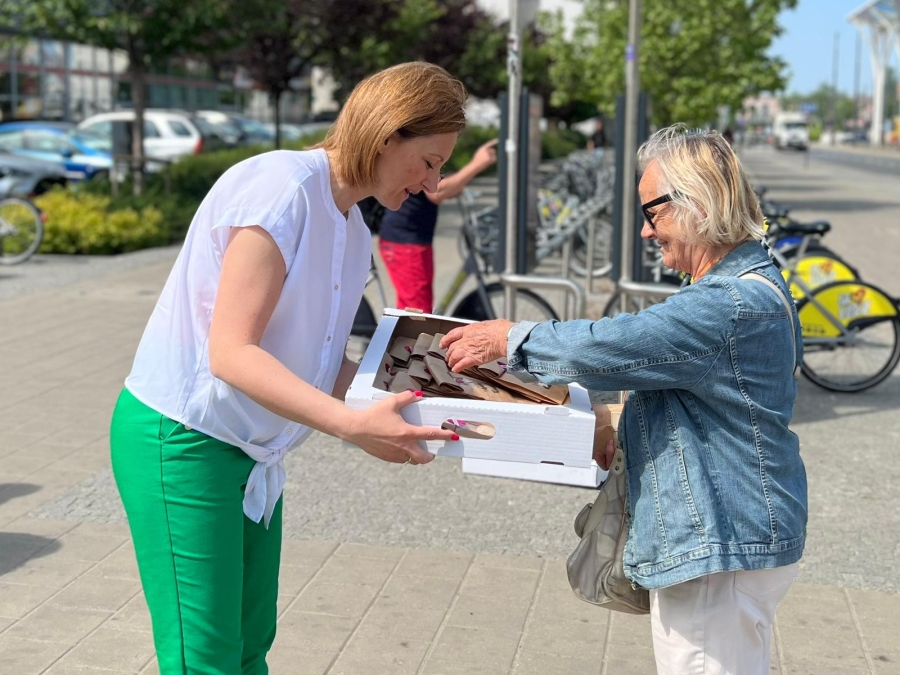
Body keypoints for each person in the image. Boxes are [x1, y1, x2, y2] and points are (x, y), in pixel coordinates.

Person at [109, 62, 465, 675]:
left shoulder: (352, 228)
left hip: (248, 451)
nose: (433, 183)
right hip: (184, 440)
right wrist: (353, 426)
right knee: (205, 660)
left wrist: (429, 396)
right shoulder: (282, 187)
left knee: (249, 646)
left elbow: (322, 361)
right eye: (430, 162)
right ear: (387, 135)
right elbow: (231, 352)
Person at [440, 125, 807, 675]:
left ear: (696, 203)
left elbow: (615, 343)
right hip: (730, 539)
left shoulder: (728, 303)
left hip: (719, 546)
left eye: (651, 213)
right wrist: (613, 423)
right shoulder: (748, 283)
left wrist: (509, 339)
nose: (644, 231)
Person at [378, 138, 498, 312]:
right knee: (417, 311)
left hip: (414, 239)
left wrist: (456, 182)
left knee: (416, 307)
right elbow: (436, 192)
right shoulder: (424, 141)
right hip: (405, 240)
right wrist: (477, 164)